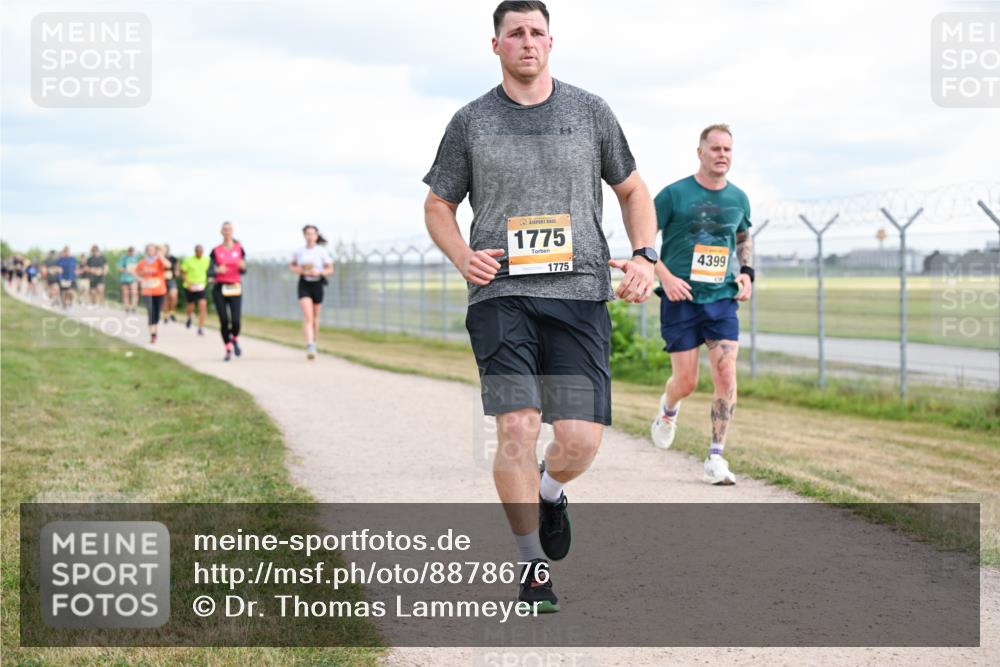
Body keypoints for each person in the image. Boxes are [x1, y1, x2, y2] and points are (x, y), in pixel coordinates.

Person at [423, 0, 656, 613]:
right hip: (502, 295)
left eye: (537, 32)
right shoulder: (470, 122)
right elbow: (437, 205)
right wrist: (460, 257)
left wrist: (646, 256)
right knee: (518, 427)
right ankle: (531, 568)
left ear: (551, 43)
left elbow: (632, 189)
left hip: (578, 296)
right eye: (515, 33)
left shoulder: (590, 112)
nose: (527, 41)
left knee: (579, 439)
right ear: (495, 45)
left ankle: (551, 493)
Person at [649, 124, 754, 486]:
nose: (722, 155)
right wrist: (664, 276)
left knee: (726, 374)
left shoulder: (739, 198)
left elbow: (742, 236)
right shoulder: (673, 195)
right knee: (687, 381)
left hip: (722, 298)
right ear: (700, 152)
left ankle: (716, 457)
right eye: (715, 149)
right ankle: (668, 409)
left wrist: (748, 273)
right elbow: (643, 242)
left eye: (727, 149)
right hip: (681, 298)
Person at [289, 225, 334, 360]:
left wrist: (319, 272)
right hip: (304, 284)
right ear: (304, 235)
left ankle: (314, 341)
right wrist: (300, 270)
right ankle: (309, 345)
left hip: (318, 284)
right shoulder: (299, 251)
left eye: (312, 234)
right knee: (308, 316)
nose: (310, 236)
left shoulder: (321, 251)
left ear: (316, 236)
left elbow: (330, 269)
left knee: (314, 317)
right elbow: (292, 265)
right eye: (307, 234)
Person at [209, 222, 246, 362]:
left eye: (229, 229)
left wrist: (242, 266)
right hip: (220, 288)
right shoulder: (216, 250)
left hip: (235, 286)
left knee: (236, 321)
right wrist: (217, 270)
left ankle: (234, 338)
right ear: (221, 232)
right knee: (224, 320)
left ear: (233, 231)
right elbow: (210, 270)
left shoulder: (239, 249)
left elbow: (244, 269)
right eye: (225, 229)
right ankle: (228, 348)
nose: (227, 232)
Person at [135, 244, 170, 344]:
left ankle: (155, 330)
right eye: (149, 250)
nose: (150, 251)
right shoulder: (143, 262)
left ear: (155, 251)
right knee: (151, 312)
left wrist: (161, 255)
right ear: (146, 251)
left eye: (152, 250)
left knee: (157, 313)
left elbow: (168, 265)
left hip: (159, 290)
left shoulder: (159, 261)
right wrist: (140, 280)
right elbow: (136, 272)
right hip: (147, 291)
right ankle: (152, 335)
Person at [180, 244, 211, 336]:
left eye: (201, 252)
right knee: (191, 306)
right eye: (198, 251)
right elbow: (183, 272)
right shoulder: (188, 260)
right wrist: (188, 284)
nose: (199, 253)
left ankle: (201, 327)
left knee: (203, 306)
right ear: (195, 251)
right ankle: (189, 317)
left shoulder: (207, 260)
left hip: (201, 286)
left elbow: (209, 271)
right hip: (190, 286)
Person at [118, 246, 142, 314]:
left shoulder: (137, 258)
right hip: (124, 278)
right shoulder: (123, 258)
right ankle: (127, 307)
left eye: (132, 251)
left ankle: (134, 307)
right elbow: (119, 268)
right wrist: (127, 270)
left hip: (134, 278)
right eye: (129, 251)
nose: (131, 252)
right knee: (126, 294)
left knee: (134, 293)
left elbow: (140, 268)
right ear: (128, 251)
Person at [162, 243, 180, 323]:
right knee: (165, 299)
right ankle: (165, 315)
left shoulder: (173, 258)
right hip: (162, 280)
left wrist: (177, 271)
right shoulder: (160, 258)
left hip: (171, 279)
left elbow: (177, 267)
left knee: (173, 296)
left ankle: (172, 312)